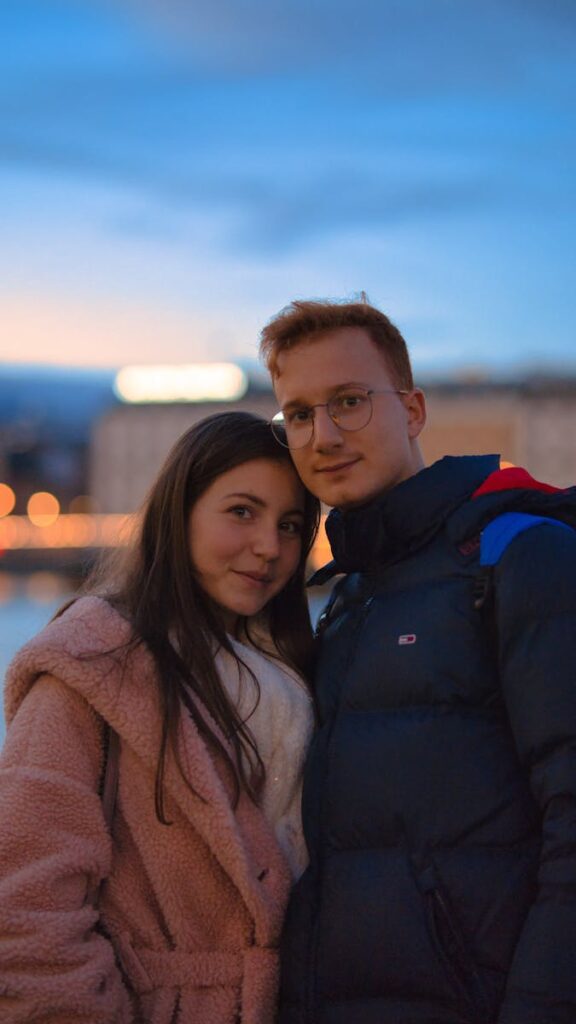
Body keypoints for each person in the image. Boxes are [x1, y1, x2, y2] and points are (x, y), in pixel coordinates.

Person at [259, 297, 576, 1024]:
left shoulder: (521, 557)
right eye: (299, 415)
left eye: (348, 401)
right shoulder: (351, 598)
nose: (324, 434)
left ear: (414, 410)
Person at [0, 411, 320, 1024]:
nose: (269, 547)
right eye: (242, 512)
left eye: (289, 525)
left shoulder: (298, 670)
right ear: (180, 512)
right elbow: (27, 910)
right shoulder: (90, 665)